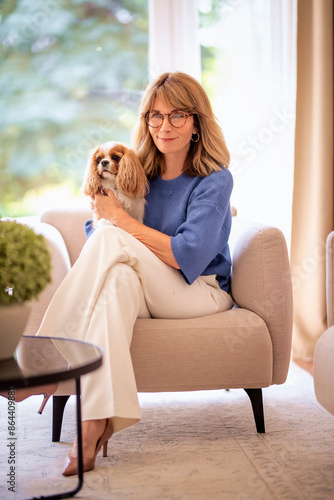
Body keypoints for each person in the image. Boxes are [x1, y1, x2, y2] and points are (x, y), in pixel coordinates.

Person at [16, 72, 235, 476]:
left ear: (197, 122)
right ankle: (92, 427)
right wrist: (113, 220)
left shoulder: (214, 179)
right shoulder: (137, 169)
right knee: (114, 282)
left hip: (198, 291)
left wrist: (119, 221)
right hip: (146, 286)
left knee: (113, 240)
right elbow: (94, 228)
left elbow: (187, 253)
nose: (163, 126)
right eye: (154, 115)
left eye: (177, 116)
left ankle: (45, 362)